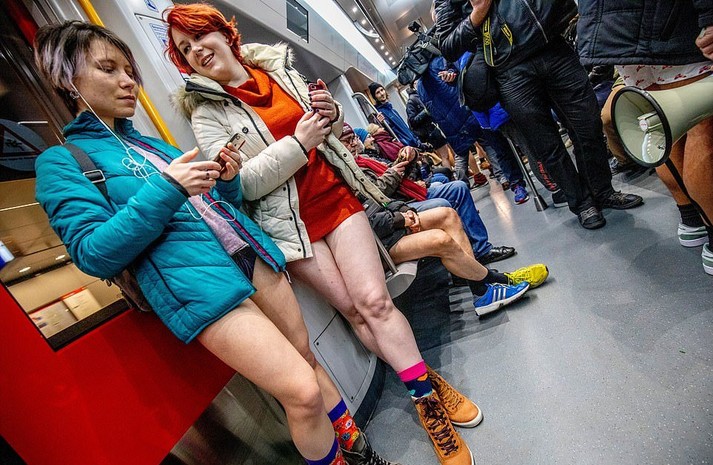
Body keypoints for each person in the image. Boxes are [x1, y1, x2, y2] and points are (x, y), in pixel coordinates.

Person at [32, 20, 394, 465]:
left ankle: (361, 452)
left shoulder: (150, 145)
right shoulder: (61, 162)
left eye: (129, 70)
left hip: (249, 257)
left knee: (308, 361)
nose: (127, 81)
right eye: (108, 69)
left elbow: (219, 207)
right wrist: (170, 187)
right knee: (301, 392)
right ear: (67, 79)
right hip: (202, 289)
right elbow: (92, 252)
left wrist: (224, 181)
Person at [165, 4, 477, 464]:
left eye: (199, 37)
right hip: (290, 228)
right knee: (354, 311)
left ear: (223, 33)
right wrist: (298, 143)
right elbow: (242, 185)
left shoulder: (276, 69)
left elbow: (325, 131)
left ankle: (427, 403)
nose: (196, 50)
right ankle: (426, 380)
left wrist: (331, 115)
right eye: (184, 49)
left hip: (337, 199)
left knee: (375, 302)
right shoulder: (205, 114)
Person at [434, 0, 644, 229]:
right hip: (509, 71)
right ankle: (582, 203)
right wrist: (478, 12)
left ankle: (602, 191)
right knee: (546, 145)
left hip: (554, 48)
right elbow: (447, 44)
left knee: (588, 124)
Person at [577, 0, 713, 274]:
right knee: (703, 128)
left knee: (665, 126)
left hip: (621, 31)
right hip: (672, 19)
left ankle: (691, 219)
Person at [342, 125, 516, 266]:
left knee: (459, 187)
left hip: (406, 192)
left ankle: (481, 249)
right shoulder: (349, 173)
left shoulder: (366, 159)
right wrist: (394, 174)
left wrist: (409, 158)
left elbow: (396, 172)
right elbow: (376, 197)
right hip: (398, 203)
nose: (354, 143)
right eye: (347, 141)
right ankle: (464, 262)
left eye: (354, 138)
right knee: (442, 204)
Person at [362, 188, 549, 316]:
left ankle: (480, 288)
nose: (352, 144)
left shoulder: (351, 168)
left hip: (386, 227)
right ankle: (498, 280)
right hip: (374, 246)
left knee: (447, 214)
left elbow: (379, 196)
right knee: (439, 240)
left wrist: (405, 210)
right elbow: (362, 226)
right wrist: (397, 219)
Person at [368, 81, 422, 148]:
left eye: (382, 90)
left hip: (414, 142)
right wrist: (381, 123)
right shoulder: (380, 114)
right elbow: (389, 132)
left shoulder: (392, 110)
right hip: (406, 146)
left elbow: (405, 128)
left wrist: (416, 140)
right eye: (378, 92)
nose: (382, 94)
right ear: (375, 97)